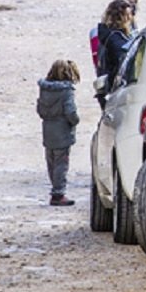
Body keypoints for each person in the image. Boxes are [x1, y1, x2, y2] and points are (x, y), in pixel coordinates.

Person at [37, 60, 83, 206]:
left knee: (51, 162)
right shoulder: (66, 91)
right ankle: (58, 193)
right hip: (62, 131)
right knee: (61, 164)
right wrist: (75, 121)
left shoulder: (44, 89)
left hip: (48, 129)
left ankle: (55, 189)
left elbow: (40, 110)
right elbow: (70, 112)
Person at [95, 0, 136, 103]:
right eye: (128, 15)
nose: (131, 18)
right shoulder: (116, 39)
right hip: (115, 90)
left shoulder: (108, 34)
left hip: (107, 86)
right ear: (122, 17)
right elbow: (122, 65)